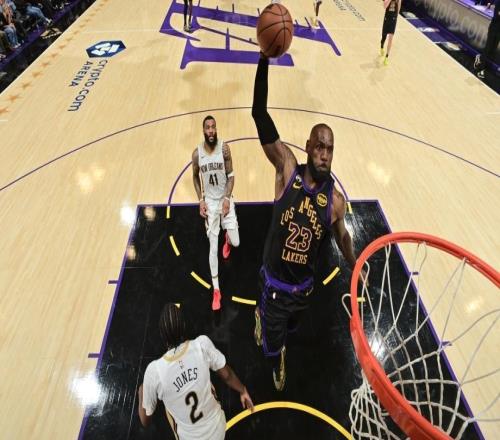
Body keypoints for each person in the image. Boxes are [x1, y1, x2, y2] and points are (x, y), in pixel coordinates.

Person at [251, 53, 363, 391]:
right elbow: (259, 114)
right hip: (274, 287)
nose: (325, 154)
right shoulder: (287, 170)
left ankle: (272, 327)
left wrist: (356, 264)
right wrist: (263, 59)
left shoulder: (336, 201)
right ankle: (272, 347)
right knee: (272, 345)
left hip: (303, 289)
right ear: (308, 147)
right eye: (319, 147)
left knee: (292, 327)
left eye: (330, 149)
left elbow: (343, 238)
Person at [138, 303, 254, 439]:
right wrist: (243, 390)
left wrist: (142, 393)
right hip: (218, 430)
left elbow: (145, 421)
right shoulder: (201, 345)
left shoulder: (154, 372)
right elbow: (227, 375)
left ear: (162, 335)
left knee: (166, 405)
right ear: (184, 327)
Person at [192, 116, 240, 311]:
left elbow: (231, 176)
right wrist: (200, 200)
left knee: (236, 242)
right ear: (203, 130)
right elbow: (195, 177)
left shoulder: (224, 149)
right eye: (208, 127)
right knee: (212, 247)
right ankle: (217, 290)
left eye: (213, 127)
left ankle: (228, 239)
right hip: (210, 204)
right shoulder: (197, 154)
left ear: (216, 129)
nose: (211, 130)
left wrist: (227, 198)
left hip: (224, 199)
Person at [474, 0, 500, 79]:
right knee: (488, 48)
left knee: (493, 50)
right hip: (494, 28)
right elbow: (497, 14)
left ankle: (480, 58)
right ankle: (480, 69)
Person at [380, 0, 401, 66]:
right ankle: (382, 46)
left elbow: (398, 10)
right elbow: (384, 6)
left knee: (390, 39)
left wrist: (395, 19)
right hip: (387, 18)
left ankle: (386, 57)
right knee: (384, 36)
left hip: (393, 20)